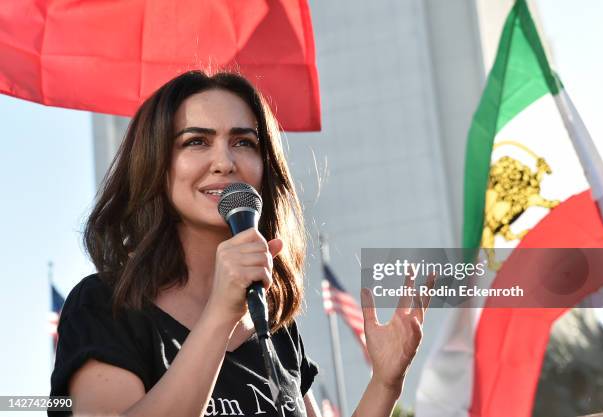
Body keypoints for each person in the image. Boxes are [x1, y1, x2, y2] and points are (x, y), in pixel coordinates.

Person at [49, 71, 431, 417]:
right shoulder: (105, 304)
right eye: (196, 141)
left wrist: (385, 383)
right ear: (156, 164)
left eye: (243, 142)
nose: (224, 161)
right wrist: (220, 314)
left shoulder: (276, 330)